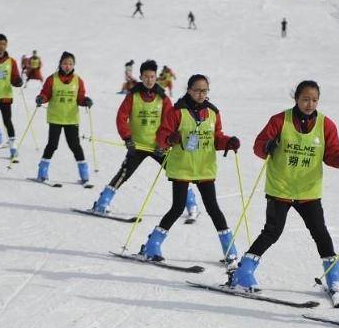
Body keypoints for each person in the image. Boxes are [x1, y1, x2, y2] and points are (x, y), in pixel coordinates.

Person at [227, 80, 339, 301]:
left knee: (321, 233)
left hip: (308, 191)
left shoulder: (326, 125)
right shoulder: (279, 120)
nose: (309, 104)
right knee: (272, 232)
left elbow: (331, 154)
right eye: (305, 99)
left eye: (314, 100)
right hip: (281, 188)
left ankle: (333, 275)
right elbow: (259, 145)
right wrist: (267, 146)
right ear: (296, 99)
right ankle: (244, 270)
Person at [137, 74, 240, 263]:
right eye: (197, 90)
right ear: (189, 90)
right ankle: (152, 245)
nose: (201, 94)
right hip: (182, 167)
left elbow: (216, 138)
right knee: (177, 208)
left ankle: (230, 251)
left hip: (204, 167)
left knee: (213, 209)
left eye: (204, 91)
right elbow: (161, 137)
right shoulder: (177, 111)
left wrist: (228, 142)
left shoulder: (213, 113)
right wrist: (170, 140)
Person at [91, 60, 176, 214]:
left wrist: (163, 143)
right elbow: (121, 117)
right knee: (124, 174)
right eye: (146, 77)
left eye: (152, 76)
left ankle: (190, 205)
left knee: (176, 172)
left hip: (158, 146)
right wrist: (127, 138)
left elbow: (169, 122)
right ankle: (102, 203)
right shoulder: (132, 96)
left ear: (156, 77)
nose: (149, 80)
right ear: (141, 77)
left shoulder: (163, 98)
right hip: (137, 145)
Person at [34, 51, 93, 183]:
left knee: (75, 146)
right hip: (55, 117)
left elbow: (80, 98)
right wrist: (41, 98)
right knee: (52, 145)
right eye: (65, 63)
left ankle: (84, 174)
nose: (67, 66)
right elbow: (45, 94)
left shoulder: (78, 80)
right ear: (60, 64)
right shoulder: (52, 79)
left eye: (70, 64)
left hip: (71, 119)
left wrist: (86, 101)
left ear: (74, 65)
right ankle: (42, 172)